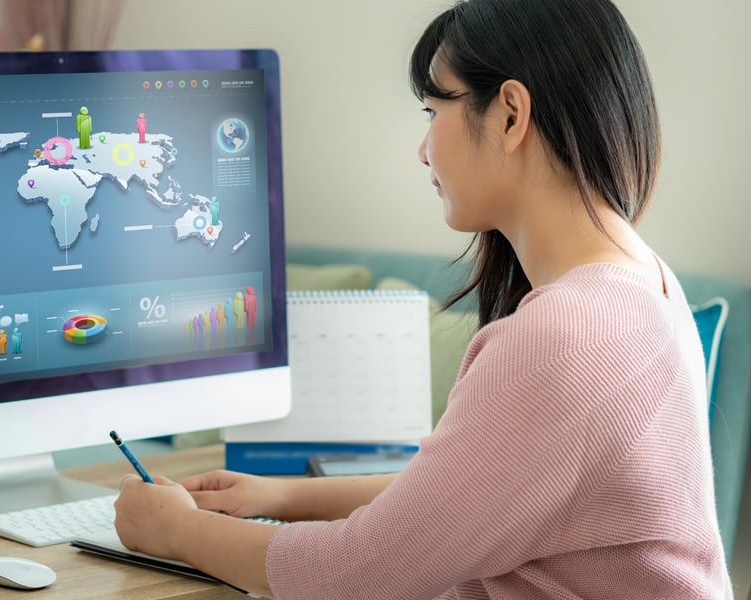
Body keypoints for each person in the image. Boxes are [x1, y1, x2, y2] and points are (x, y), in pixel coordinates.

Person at [112, 0, 734, 597]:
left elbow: (356, 576)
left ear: (511, 114)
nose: (423, 148)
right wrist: (280, 495)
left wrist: (178, 530)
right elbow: (459, 495)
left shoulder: (564, 335)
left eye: (433, 109)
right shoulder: (640, 280)